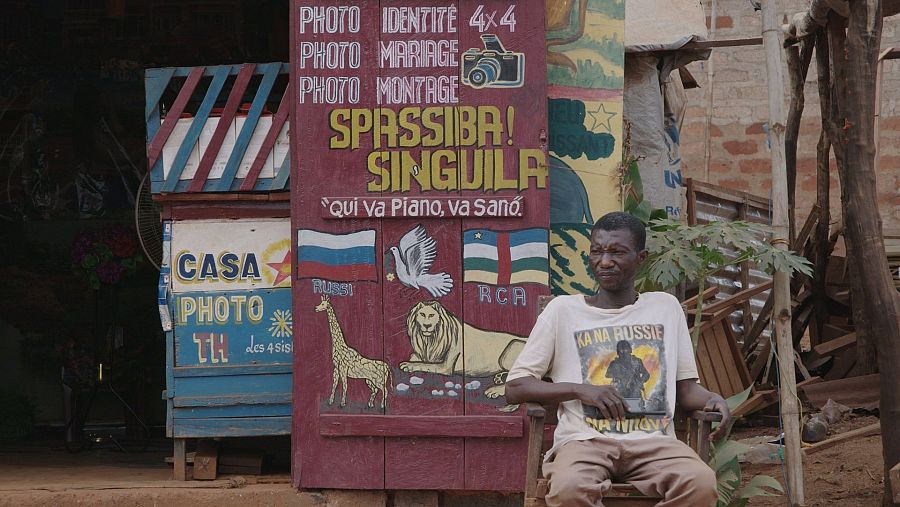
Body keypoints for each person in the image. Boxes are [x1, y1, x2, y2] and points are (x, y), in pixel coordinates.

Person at [505, 212, 729, 507]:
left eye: (617, 252)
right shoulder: (562, 311)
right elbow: (516, 387)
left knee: (700, 483)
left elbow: (686, 389)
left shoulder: (666, 308)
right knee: (569, 489)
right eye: (597, 251)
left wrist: (713, 399)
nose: (605, 261)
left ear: (641, 258)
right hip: (585, 442)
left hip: (654, 443)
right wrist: (581, 390)